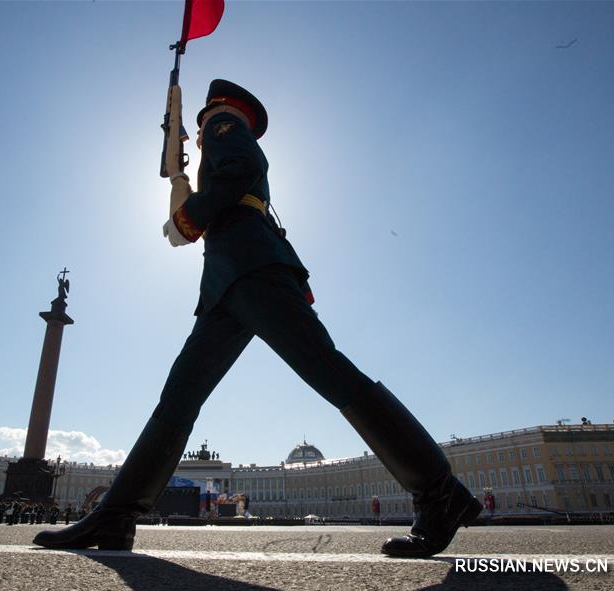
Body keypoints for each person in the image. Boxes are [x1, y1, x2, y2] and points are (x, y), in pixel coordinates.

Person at [33, 79, 482, 558]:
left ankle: (440, 493)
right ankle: (116, 516)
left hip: (249, 269)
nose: (199, 136)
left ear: (214, 114)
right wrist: (182, 185)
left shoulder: (222, 122)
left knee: (330, 374)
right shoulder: (220, 135)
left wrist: (190, 214)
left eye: (199, 128)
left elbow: (243, 168)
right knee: (180, 397)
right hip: (231, 278)